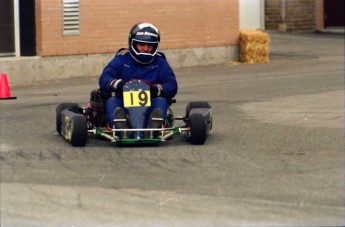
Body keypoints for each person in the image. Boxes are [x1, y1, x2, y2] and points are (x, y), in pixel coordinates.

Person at [99, 22, 178, 138]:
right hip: (123, 103)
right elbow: (105, 77)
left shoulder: (159, 62)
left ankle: (152, 128)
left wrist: (156, 89)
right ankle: (121, 127)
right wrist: (117, 84)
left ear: (155, 46)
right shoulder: (122, 59)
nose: (146, 49)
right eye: (141, 44)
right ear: (133, 43)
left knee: (161, 101)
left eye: (150, 45)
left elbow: (171, 84)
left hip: (151, 102)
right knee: (112, 101)